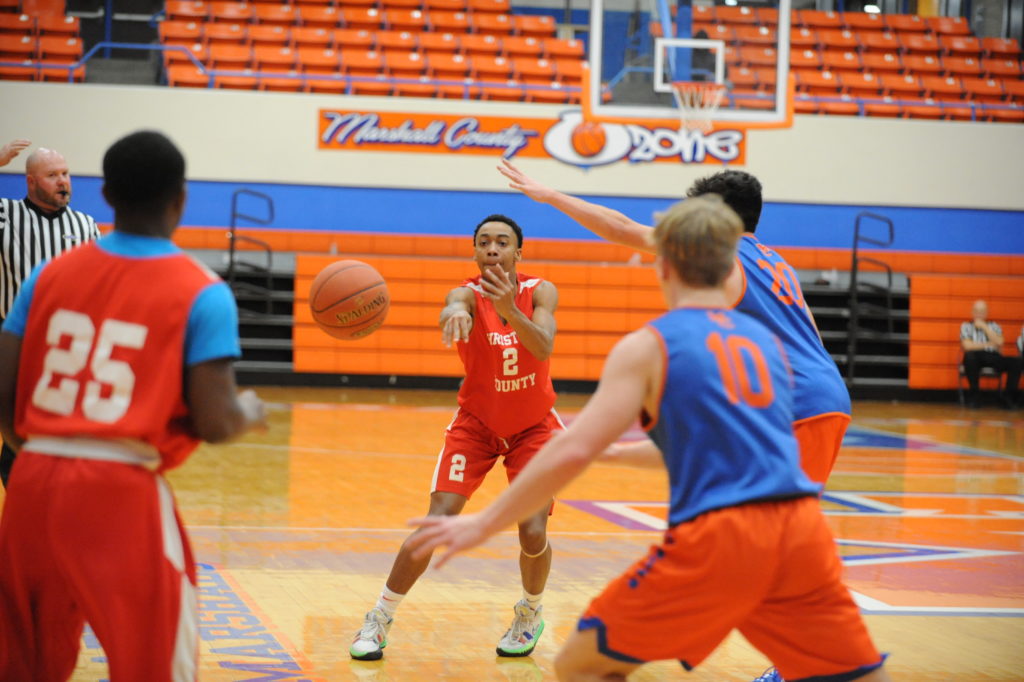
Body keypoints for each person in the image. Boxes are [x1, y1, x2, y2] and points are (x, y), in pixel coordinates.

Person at [406, 196, 890, 682]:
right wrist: (621, 454)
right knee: (859, 674)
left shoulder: (650, 345)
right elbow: (721, 445)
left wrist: (484, 523)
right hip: (802, 535)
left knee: (580, 665)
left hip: (719, 539)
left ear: (663, 266)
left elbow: (571, 449)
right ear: (728, 269)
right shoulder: (764, 343)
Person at [0, 130, 267, 681]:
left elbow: (2, 391)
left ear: (107, 195)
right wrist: (249, 411)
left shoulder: (47, 275)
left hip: (31, 483)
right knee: (154, 664)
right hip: (118, 489)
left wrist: (42, 455)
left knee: (22, 664)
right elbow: (216, 421)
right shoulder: (202, 290)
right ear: (180, 199)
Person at [498, 160, 849, 486]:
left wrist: (552, 196)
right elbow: (812, 335)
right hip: (816, 391)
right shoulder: (777, 263)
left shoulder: (718, 254)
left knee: (773, 516)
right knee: (746, 506)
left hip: (795, 401)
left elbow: (622, 228)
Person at [349, 214, 562, 662]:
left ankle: (530, 611)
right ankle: (379, 617)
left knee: (532, 529)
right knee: (437, 522)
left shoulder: (541, 291)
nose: (492, 248)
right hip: (477, 425)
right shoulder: (466, 293)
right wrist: (454, 312)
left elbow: (543, 346)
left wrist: (510, 312)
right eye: (483, 242)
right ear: (475, 252)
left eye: (502, 242)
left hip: (533, 428)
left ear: (518, 252)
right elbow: (455, 303)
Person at [0, 138, 101, 487]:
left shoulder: (86, 225)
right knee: (17, 427)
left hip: (66, 344)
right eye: (53, 175)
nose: (63, 182)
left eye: (65, 173)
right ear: (31, 181)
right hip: (15, 342)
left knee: (57, 429)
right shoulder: (6, 215)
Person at [960, 299, 1022, 408]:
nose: (979, 314)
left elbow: (1000, 342)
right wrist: (989, 343)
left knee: (1017, 362)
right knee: (969, 357)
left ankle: (1008, 397)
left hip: (992, 357)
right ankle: (975, 396)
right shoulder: (966, 326)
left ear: (987, 313)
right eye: (977, 311)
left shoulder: (994, 326)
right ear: (972, 312)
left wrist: (984, 327)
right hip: (975, 357)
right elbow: (967, 346)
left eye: (982, 311)